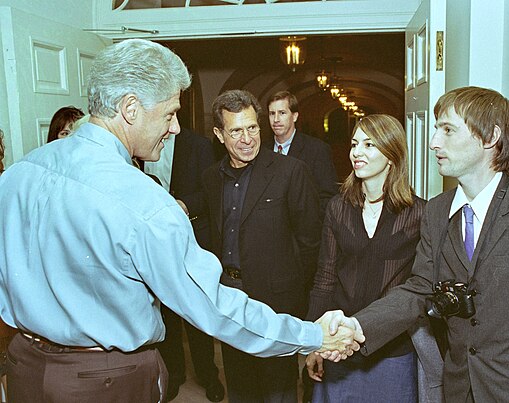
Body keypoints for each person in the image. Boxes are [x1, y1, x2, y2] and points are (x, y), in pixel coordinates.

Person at [0, 39, 363, 403]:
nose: (175, 128)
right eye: (170, 112)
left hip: (24, 369)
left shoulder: (20, 173)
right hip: (106, 380)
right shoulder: (143, 200)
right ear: (130, 108)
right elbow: (213, 306)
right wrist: (311, 336)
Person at [325, 86, 509, 402]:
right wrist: (356, 326)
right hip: (459, 390)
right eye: (435, 130)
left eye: (448, 130)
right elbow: (419, 288)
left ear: (489, 137)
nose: (433, 143)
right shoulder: (438, 211)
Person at [305, 113, 442, 402]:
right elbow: (325, 277)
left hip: (392, 349)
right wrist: (313, 341)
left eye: (369, 145)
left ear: (391, 155)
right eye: (355, 144)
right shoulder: (338, 208)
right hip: (339, 344)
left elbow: (422, 286)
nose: (357, 152)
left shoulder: (420, 213)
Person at [201, 89, 322, 403]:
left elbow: (311, 244)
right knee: (240, 388)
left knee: (277, 392)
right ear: (218, 134)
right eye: (236, 131)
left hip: (276, 305)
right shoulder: (211, 178)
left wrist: (296, 297)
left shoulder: (290, 172)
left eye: (252, 128)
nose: (247, 139)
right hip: (229, 299)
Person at [143, 127, 224, 402]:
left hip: (192, 238)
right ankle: (174, 374)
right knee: (165, 313)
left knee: (196, 311)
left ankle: (208, 375)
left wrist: (183, 205)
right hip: (154, 244)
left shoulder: (198, 145)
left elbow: (212, 191)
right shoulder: (137, 142)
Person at [266, 90, 339, 218]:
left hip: (302, 232)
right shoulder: (262, 150)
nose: (276, 119)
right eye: (272, 113)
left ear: (294, 116)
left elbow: (328, 197)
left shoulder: (317, 150)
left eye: (282, 113)